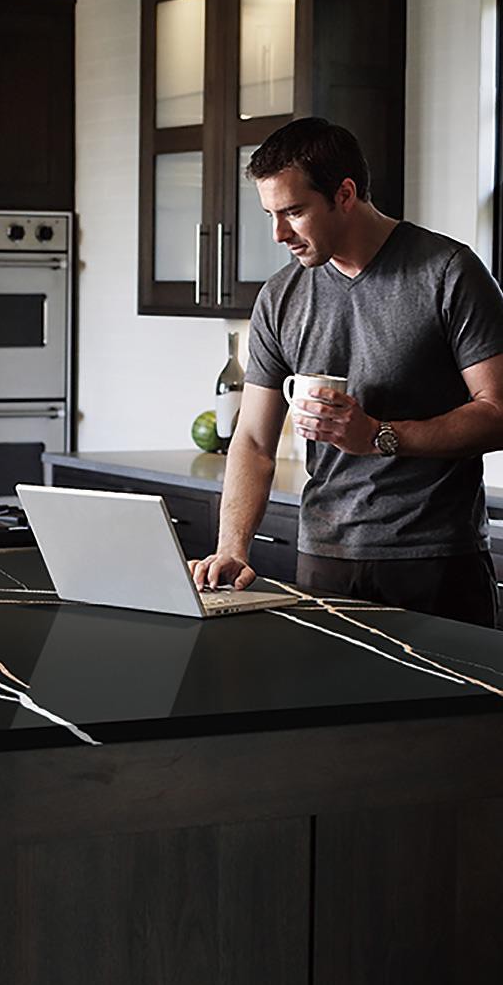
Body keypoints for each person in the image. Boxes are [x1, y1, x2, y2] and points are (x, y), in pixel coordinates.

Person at [190, 117, 503, 628]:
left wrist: (378, 435)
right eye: (271, 214)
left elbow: (499, 411)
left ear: (345, 194)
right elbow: (252, 439)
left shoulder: (447, 272)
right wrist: (232, 547)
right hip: (323, 559)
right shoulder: (280, 296)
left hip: (434, 560)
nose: (279, 234)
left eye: (293, 211)